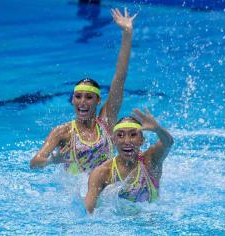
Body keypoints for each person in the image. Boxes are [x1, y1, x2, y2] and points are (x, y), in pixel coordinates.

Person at [30, 8, 138, 175]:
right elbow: (35, 162)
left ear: (98, 101)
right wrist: (52, 160)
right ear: (72, 100)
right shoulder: (63, 132)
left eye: (89, 97)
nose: (82, 102)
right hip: (76, 194)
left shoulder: (106, 121)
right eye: (78, 97)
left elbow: (120, 77)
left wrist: (127, 33)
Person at [85, 108, 173, 213]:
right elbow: (89, 212)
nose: (127, 141)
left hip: (150, 222)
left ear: (142, 141)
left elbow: (168, 143)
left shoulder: (150, 162)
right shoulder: (102, 173)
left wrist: (158, 129)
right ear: (114, 140)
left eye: (133, 135)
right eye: (120, 135)